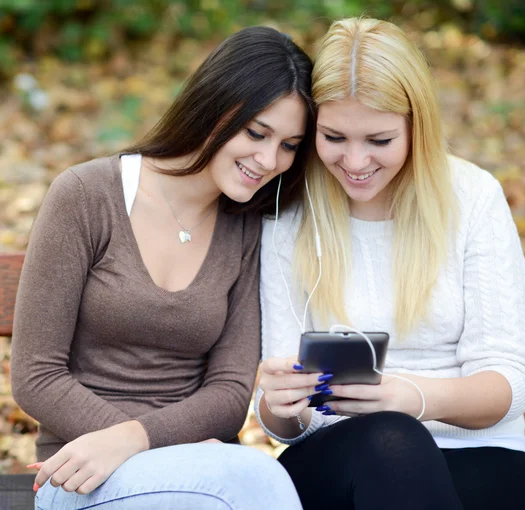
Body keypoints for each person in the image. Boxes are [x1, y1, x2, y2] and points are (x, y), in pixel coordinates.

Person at [11, 26, 314, 509]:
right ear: (215, 105)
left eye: (289, 145)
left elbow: (230, 391)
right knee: (258, 482)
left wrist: (144, 440)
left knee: (251, 484)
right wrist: (135, 443)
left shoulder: (248, 228)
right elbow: (36, 375)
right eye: (257, 133)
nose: (268, 160)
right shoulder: (87, 196)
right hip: (84, 470)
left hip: (205, 470)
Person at [256, 17, 525, 510]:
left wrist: (414, 399)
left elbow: (510, 381)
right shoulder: (290, 215)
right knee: (390, 439)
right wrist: (279, 409)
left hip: (477, 447)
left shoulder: (472, 198)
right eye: (334, 137)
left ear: (417, 127)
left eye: (379, 140)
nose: (354, 161)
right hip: (339, 458)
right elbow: (287, 420)